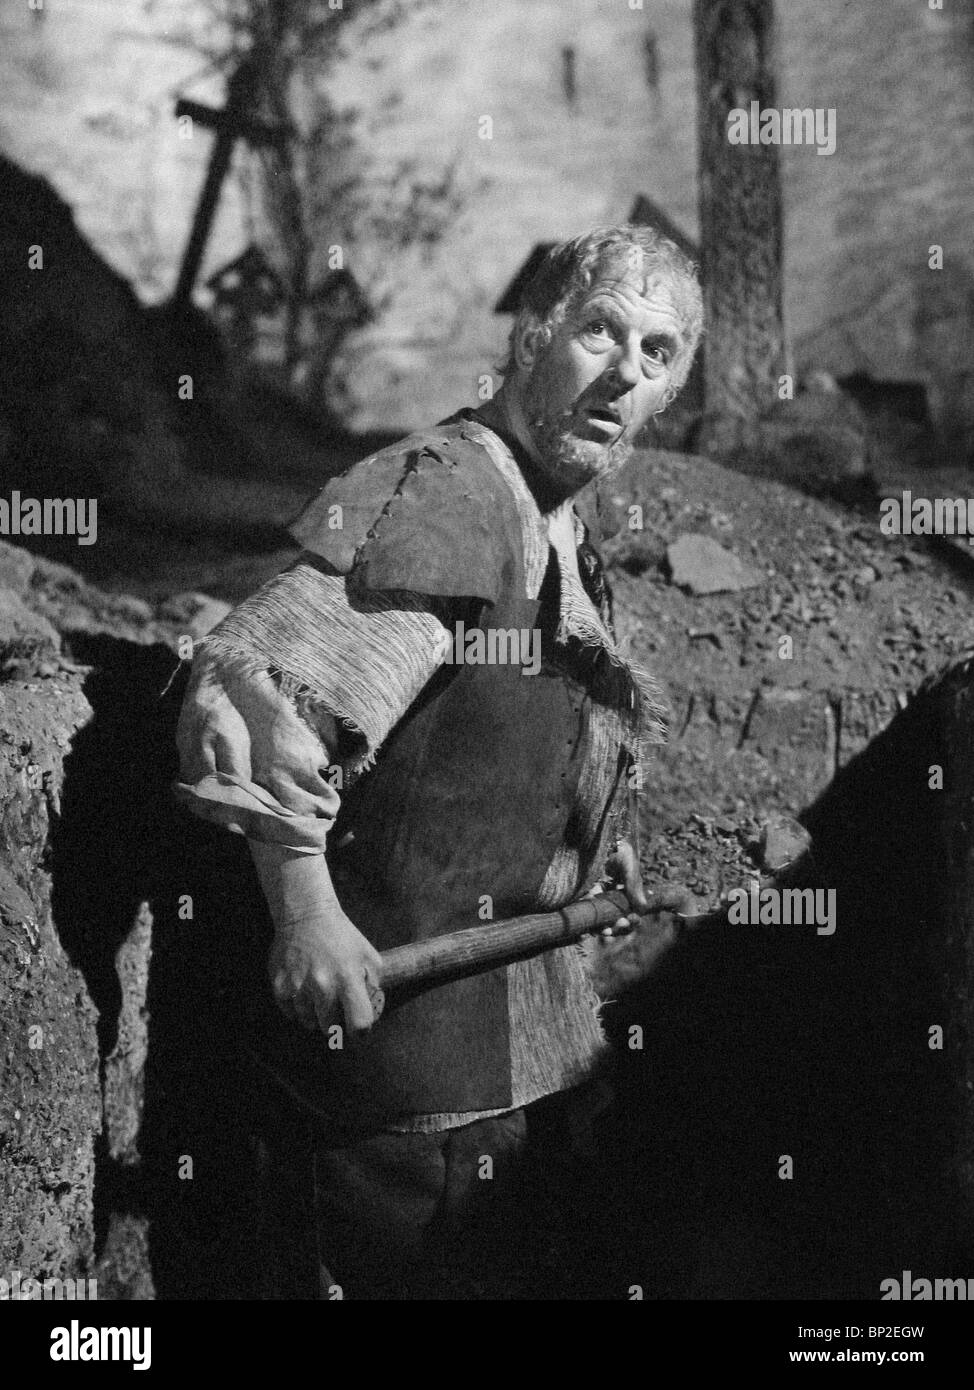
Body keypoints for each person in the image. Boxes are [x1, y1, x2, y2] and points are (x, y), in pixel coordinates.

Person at [175, 223, 704, 1299]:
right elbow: (256, 685)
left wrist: (583, 863)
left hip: (494, 1069)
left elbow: (517, 735)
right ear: (531, 337)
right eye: (600, 331)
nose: (622, 375)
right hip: (389, 1097)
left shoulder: (552, 519)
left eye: (656, 354)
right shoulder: (450, 495)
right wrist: (306, 911)